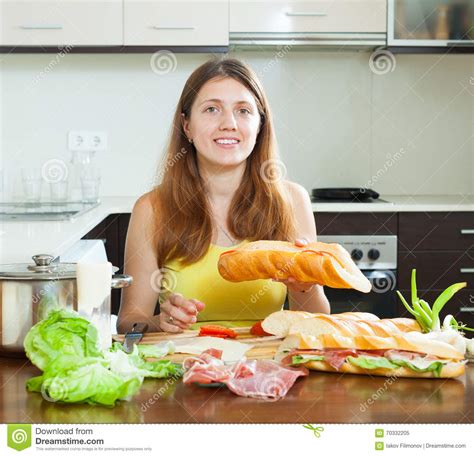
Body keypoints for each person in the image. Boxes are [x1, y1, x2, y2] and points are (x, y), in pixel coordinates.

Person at [117, 58, 330, 334]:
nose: (229, 123)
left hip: (266, 366)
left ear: (260, 126)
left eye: (243, 110)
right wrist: (160, 322)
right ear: (187, 126)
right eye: (211, 109)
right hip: (184, 367)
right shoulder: (152, 209)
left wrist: (304, 286)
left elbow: (316, 322)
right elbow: (129, 321)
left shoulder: (292, 201)